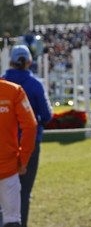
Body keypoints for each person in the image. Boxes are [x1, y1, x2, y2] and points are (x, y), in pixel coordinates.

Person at [2, 45, 53, 227]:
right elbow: (46, 116)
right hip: (29, 146)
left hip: (6, 145)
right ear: (29, 62)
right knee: (23, 193)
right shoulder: (35, 84)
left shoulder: (5, 82)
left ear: (10, 62)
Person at [0, 75, 38, 227]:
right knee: (12, 219)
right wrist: (23, 159)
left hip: (9, 167)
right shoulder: (13, 91)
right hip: (8, 169)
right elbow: (31, 126)